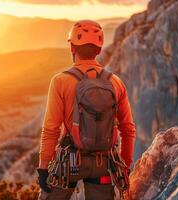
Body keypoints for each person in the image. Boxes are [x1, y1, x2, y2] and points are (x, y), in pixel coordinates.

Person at [37, 20, 136, 200]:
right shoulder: (116, 83)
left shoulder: (60, 81)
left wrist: (44, 167)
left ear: (72, 48)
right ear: (98, 50)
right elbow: (127, 129)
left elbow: (51, 129)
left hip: (69, 163)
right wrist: (125, 166)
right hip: (104, 163)